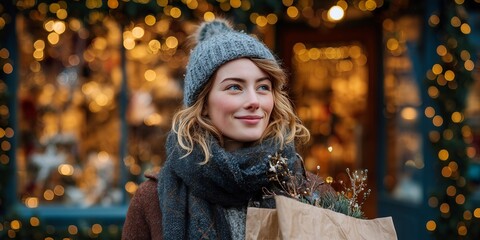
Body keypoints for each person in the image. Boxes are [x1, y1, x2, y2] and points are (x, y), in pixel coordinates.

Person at [122, 18, 330, 240]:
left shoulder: (312, 191)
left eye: (263, 87)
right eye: (234, 87)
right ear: (203, 104)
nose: (254, 101)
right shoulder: (153, 199)